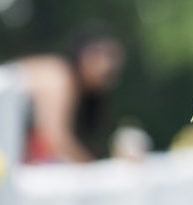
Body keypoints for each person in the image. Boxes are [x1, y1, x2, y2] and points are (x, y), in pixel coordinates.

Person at [15, 30, 126, 162]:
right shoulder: (57, 75)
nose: (104, 64)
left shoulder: (61, 77)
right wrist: (90, 169)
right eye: (97, 53)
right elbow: (53, 138)